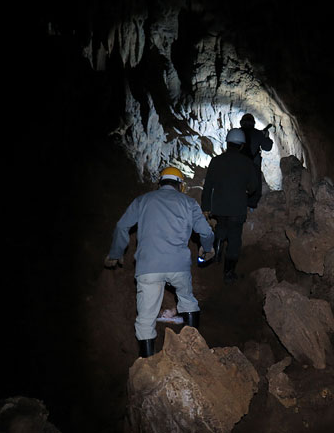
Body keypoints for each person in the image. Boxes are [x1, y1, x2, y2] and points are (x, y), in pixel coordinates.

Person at [104, 166, 214, 358]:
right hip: (178, 265)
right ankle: (194, 352)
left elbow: (122, 226)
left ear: (160, 183)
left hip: (148, 267)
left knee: (146, 318)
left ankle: (149, 364)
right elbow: (205, 232)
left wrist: (116, 253)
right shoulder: (188, 202)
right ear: (180, 185)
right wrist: (207, 248)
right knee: (188, 302)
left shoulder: (143, 200)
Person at [201, 128, 258, 284]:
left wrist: (205, 207)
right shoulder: (247, 163)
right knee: (234, 239)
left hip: (219, 207)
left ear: (227, 143)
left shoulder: (216, 161)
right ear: (241, 146)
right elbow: (253, 186)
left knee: (221, 228)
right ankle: (228, 273)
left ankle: (216, 253)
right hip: (237, 209)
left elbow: (207, 187)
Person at [239, 113, 273, 208]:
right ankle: (251, 205)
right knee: (255, 187)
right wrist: (266, 136)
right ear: (253, 123)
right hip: (253, 165)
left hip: (236, 165)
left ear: (242, 123)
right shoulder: (257, 134)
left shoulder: (236, 132)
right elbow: (267, 147)